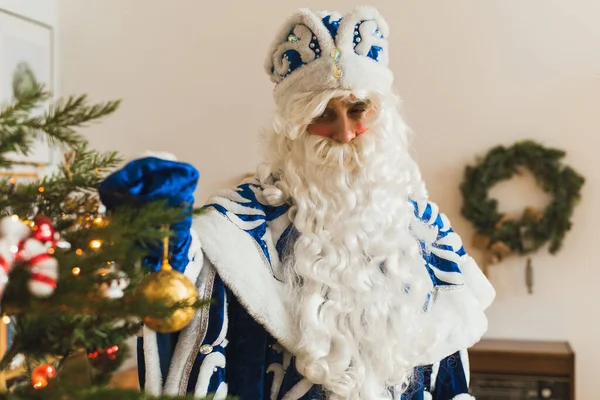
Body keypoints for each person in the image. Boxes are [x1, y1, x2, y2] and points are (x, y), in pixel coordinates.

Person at [136, 5, 495, 400]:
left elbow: (448, 379)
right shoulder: (238, 229)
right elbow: (182, 318)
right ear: (293, 129)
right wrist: (161, 228)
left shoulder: (423, 230)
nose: (345, 133)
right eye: (324, 113)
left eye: (359, 110)